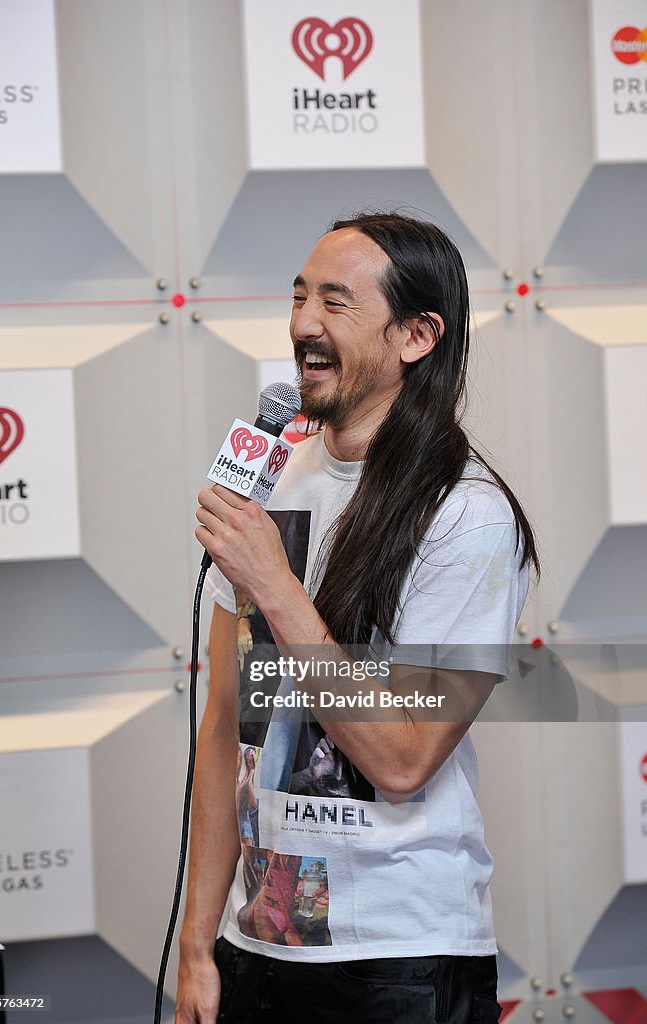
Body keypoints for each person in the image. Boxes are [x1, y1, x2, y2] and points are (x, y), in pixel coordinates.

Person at [175, 213, 539, 1023]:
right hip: (258, 946)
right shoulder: (268, 484)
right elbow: (226, 726)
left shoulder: (465, 515)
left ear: (416, 335)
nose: (303, 321)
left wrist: (276, 585)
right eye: (299, 295)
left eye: (334, 302)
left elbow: (405, 758)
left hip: (398, 958)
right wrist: (199, 946)